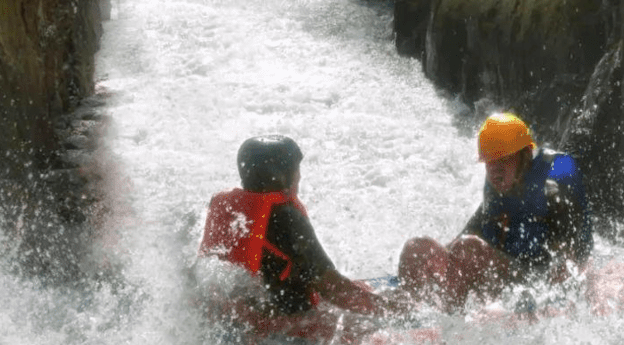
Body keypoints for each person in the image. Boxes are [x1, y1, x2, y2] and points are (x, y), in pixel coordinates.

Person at [397, 112, 592, 309]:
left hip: (535, 280)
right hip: (503, 267)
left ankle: (447, 317)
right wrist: (434, 259)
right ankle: (411, 308)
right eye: (490, 161)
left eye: (504, 160)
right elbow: (475, 228)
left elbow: (575, 260)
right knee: (417, 248)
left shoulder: (555, 184)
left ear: (524, 156)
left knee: (468, 250)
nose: (495, 169)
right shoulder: (500, 182)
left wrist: (553, 301)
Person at [199, 136, 384, 316]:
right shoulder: (286, 219)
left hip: (238, 316)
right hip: (285, 324)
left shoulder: (230, 207)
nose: (300, 176)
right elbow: (334, 290)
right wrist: (396, 312)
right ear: (282, 177)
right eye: (296, 170)